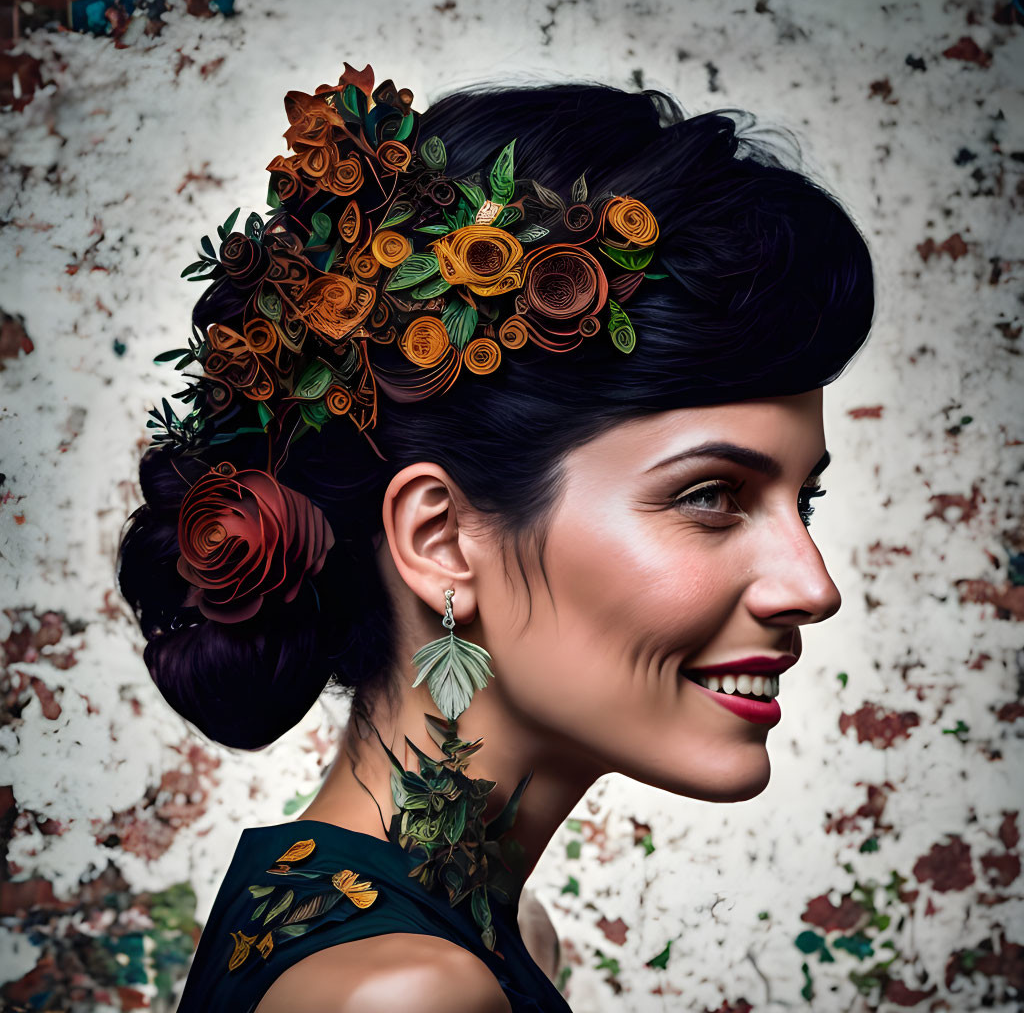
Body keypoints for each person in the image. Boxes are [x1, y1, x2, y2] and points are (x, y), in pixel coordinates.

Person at [117, 62, 874, 1012]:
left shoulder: (467, 940)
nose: (812, 585)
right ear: (441, 539)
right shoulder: (409, 993)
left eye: (800, 503)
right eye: (712, 496)